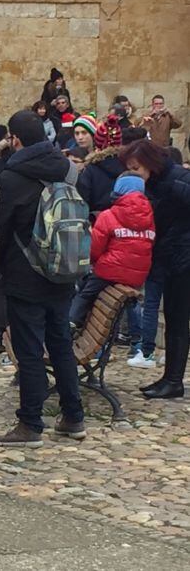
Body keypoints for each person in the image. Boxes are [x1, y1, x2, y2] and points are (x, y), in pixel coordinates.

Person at [0, 110, 86, 447]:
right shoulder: (70, 170)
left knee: (29, 350)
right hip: (63, 273)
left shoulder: (12, 176)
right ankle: (73, 416)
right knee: (61, 344)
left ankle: (30, 423)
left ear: (15, 139)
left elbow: (0, 231)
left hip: (25, 273)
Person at [120, 139, 190, 398]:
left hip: (183, 259)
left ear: (150, 163)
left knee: (178, 321)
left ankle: (173, 380)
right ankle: (170, 378)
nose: (134, 173)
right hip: (172, 259)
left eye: (136, 167)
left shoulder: (177, 182)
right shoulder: (159, 183)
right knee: (174, 321)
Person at [69, 173, 154, 327]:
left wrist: (95, 263)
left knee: (85, 294)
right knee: (129, 302)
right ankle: (135, 338)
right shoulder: (150, 218)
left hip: (109, 271)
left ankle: (71, 323)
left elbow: (94, 249)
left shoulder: (108, 215)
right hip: (137, 276)